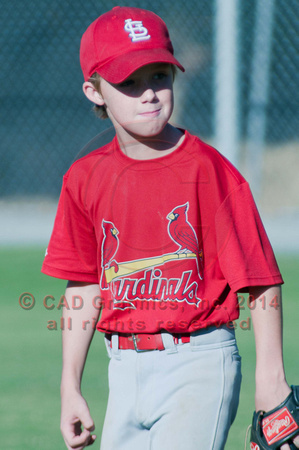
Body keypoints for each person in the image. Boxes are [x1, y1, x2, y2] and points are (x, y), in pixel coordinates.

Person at [41, 6, 298, 450]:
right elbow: (83, 286)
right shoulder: (84, 178)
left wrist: (272, 380)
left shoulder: (209, 171)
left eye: (159, 75)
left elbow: (261, 283)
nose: (149, 94)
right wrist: (70, 387)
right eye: (130, 82)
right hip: (122, 370)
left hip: (198, 362)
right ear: (94, 91)